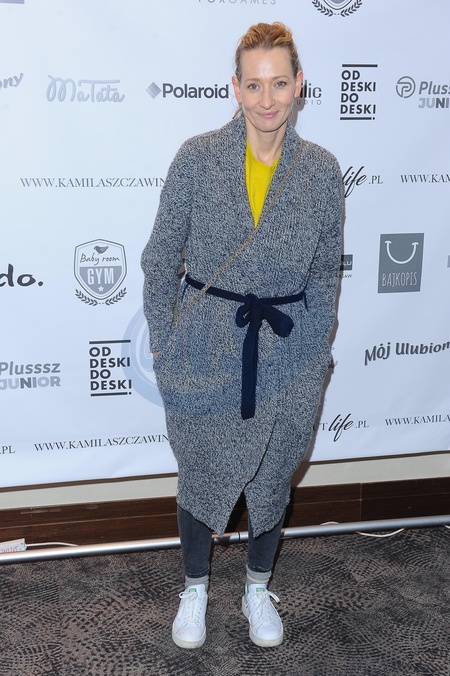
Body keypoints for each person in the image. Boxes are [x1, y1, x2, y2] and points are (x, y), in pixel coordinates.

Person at [141, 21, 343, 649]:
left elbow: (324, 276)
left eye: (279, 83)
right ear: (235, 87)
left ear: (299, 84)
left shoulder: (322, 171)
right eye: (253, 85)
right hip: (204, 349)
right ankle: (194, 588)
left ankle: (258, 587)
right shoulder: (196, 158)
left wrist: (314, 353)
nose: (266, 99)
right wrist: (165, 345)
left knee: (273, 473)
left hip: (287, 353)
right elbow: (159, 259)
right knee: (200, 468)